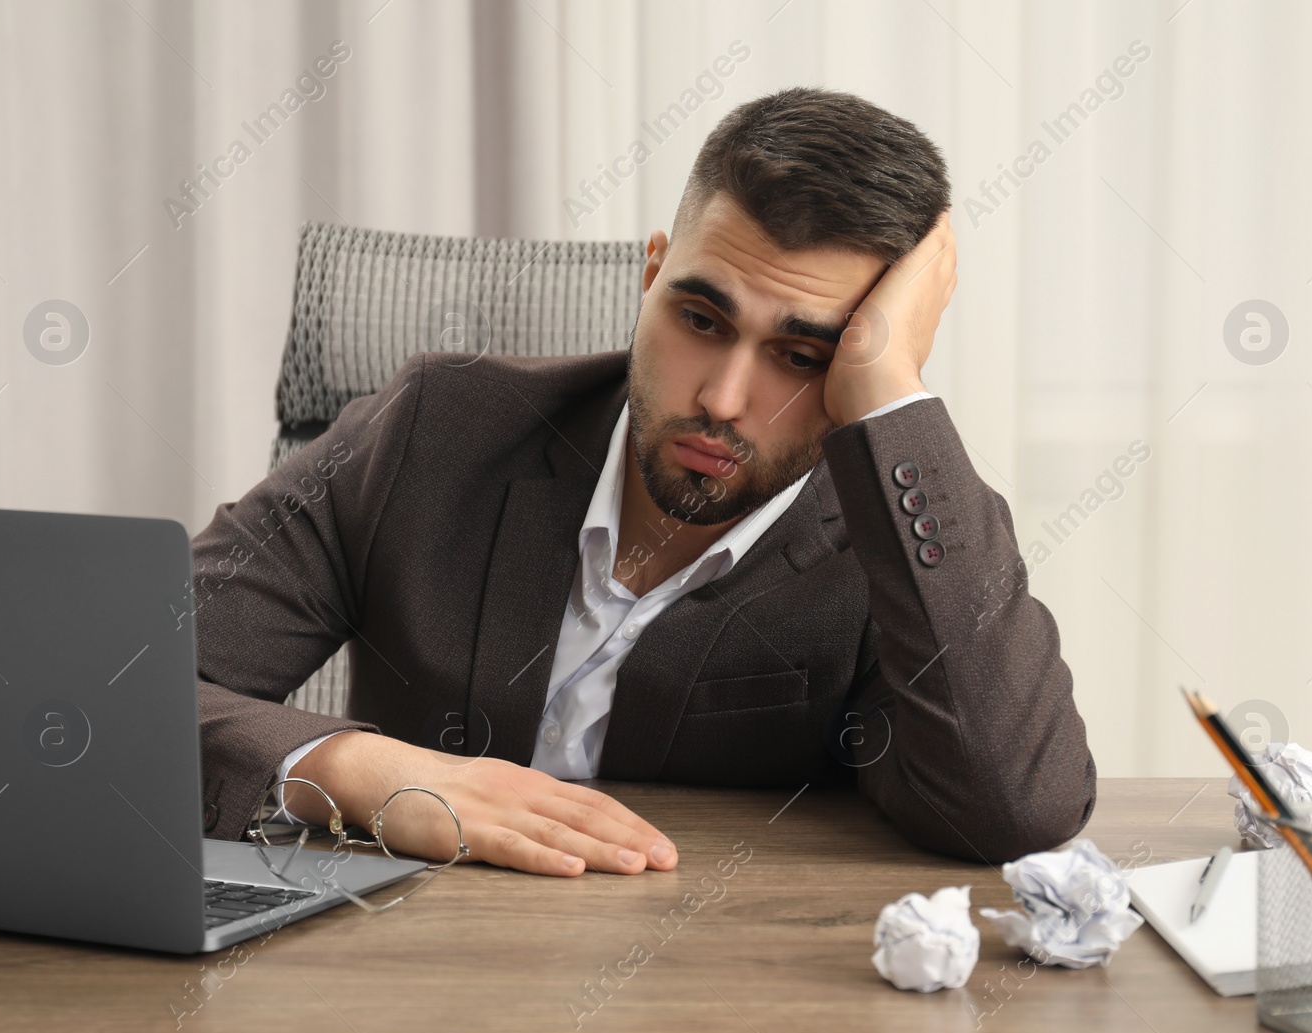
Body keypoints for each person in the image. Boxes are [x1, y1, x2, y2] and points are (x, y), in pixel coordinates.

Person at [192, 87, 1094, 877]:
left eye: (801, 355)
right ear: (652, 271)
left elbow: (1015, 806)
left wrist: (890, 389)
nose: (724, 399)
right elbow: (108, 676)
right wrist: (359, 769)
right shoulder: (435, 429)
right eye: (700, 318)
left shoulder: (897, 540)